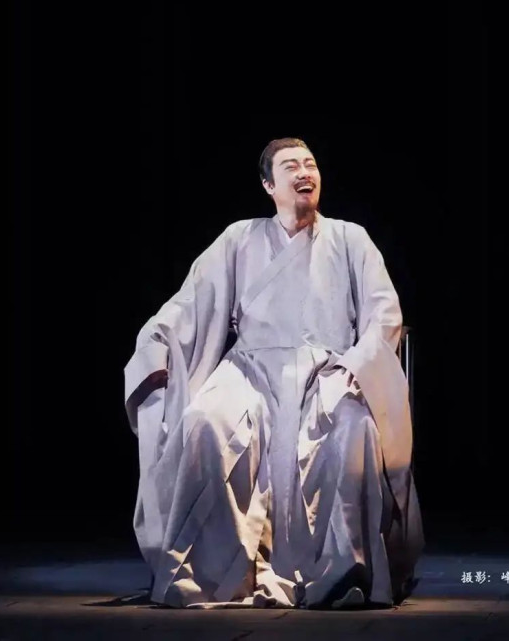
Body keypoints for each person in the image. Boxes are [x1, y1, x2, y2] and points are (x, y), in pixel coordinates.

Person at [124, 137, 424, 609]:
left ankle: (345, 572)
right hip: (250, 371)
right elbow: (191, 303)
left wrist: (357, 366)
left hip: (329, 369)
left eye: (310, 164)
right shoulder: (239, 239)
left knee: (353, 430)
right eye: (291, 166)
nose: (305, 172)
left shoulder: (350, 238)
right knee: (205, 422)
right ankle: (219, 576)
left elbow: (383, 312)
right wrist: (156, 347)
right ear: (269, 185)